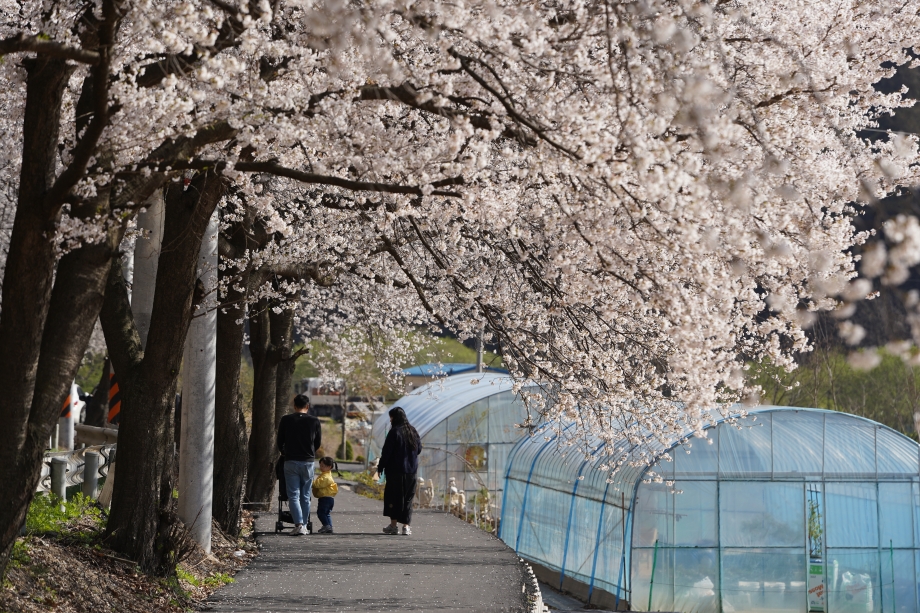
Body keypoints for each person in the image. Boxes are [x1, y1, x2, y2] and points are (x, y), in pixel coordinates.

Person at [277, 394, 322, 535]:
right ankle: (305, 525)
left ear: (294, 406)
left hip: (290, 460)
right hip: (308, 461)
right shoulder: (314, 421)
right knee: (305, 495)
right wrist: (310, 452)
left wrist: (284, 452)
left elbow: (280, 440)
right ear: (308, 406)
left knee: (293, 495)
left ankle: (299, 524)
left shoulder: (286, 420)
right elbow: (317, 442)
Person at [378, 406, 422, 535]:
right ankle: (406, 527)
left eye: (391, 417)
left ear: (395, 418)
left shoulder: (394, 432)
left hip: (395, 471)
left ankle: (393, 526)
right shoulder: (413, 431)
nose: (390, 420)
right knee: (408, 498)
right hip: (411, 471)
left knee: (394, 498)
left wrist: (381, 467)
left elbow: (386, 452)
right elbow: (419, 449)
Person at [312, 456, 339, 534]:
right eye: (320, 465)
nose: (321, 467)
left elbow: (318, 484)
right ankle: (329, 526)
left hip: (325, 498)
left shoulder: (326, 477)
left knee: (321, 513)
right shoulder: (325, 475)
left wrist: (310, 482)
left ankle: (326, 525)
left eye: (323, 466)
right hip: (329, 498)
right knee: (326, 514)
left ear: (329, 467)